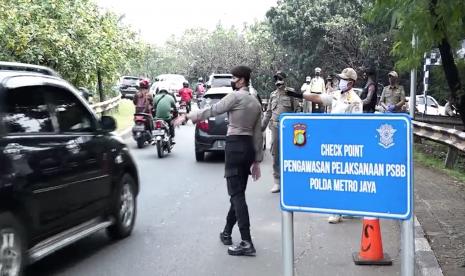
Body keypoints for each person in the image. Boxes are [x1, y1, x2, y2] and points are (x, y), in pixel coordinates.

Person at [174, 65, 263, 256]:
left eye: (233, 77)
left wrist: (188, 117)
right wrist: (257, 160)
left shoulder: (235, 97)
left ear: (241, 80)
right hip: (247, 149)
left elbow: (212, 110)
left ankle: (247, 241)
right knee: (238, 193)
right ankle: (226, 233)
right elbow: (258, 135)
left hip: (234, 147)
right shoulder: (256, 103)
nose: (231, 80)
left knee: (236, 195)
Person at [296, 67, 362, 223]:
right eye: (340, 79)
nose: (340, 82)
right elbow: (318, 98)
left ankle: (342, 210)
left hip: (347, 144)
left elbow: (356, 126)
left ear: (351, 83)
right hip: (333, 141)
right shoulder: (335, 95)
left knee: (345, 178)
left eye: (343, 80)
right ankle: (338, 209)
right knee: (336, 176)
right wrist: (299, 94)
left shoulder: (356, 101)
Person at [262, 71, 300, 193]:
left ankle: (291, 181)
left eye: (280, 79)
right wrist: (261, 128)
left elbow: (297, 110)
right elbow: (268, 113)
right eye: (276, 79)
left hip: (288, 128)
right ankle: (277, 181)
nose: (278, 81)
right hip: (275, 127)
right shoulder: (272, 95)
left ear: (284, 80)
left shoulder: (291, 93)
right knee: (276, 153)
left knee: (290, 153)